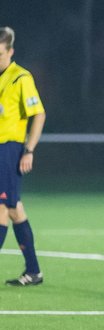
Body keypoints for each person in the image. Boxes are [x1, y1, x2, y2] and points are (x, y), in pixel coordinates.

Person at [0, 26, 46, 286]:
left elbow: (38, 114)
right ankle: (34, 270)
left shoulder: (21, 78)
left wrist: (29, 149)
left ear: (11, 52)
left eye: (0, 54)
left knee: (6, 209)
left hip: (8, 150)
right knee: (13, 209)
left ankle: (34, 270)